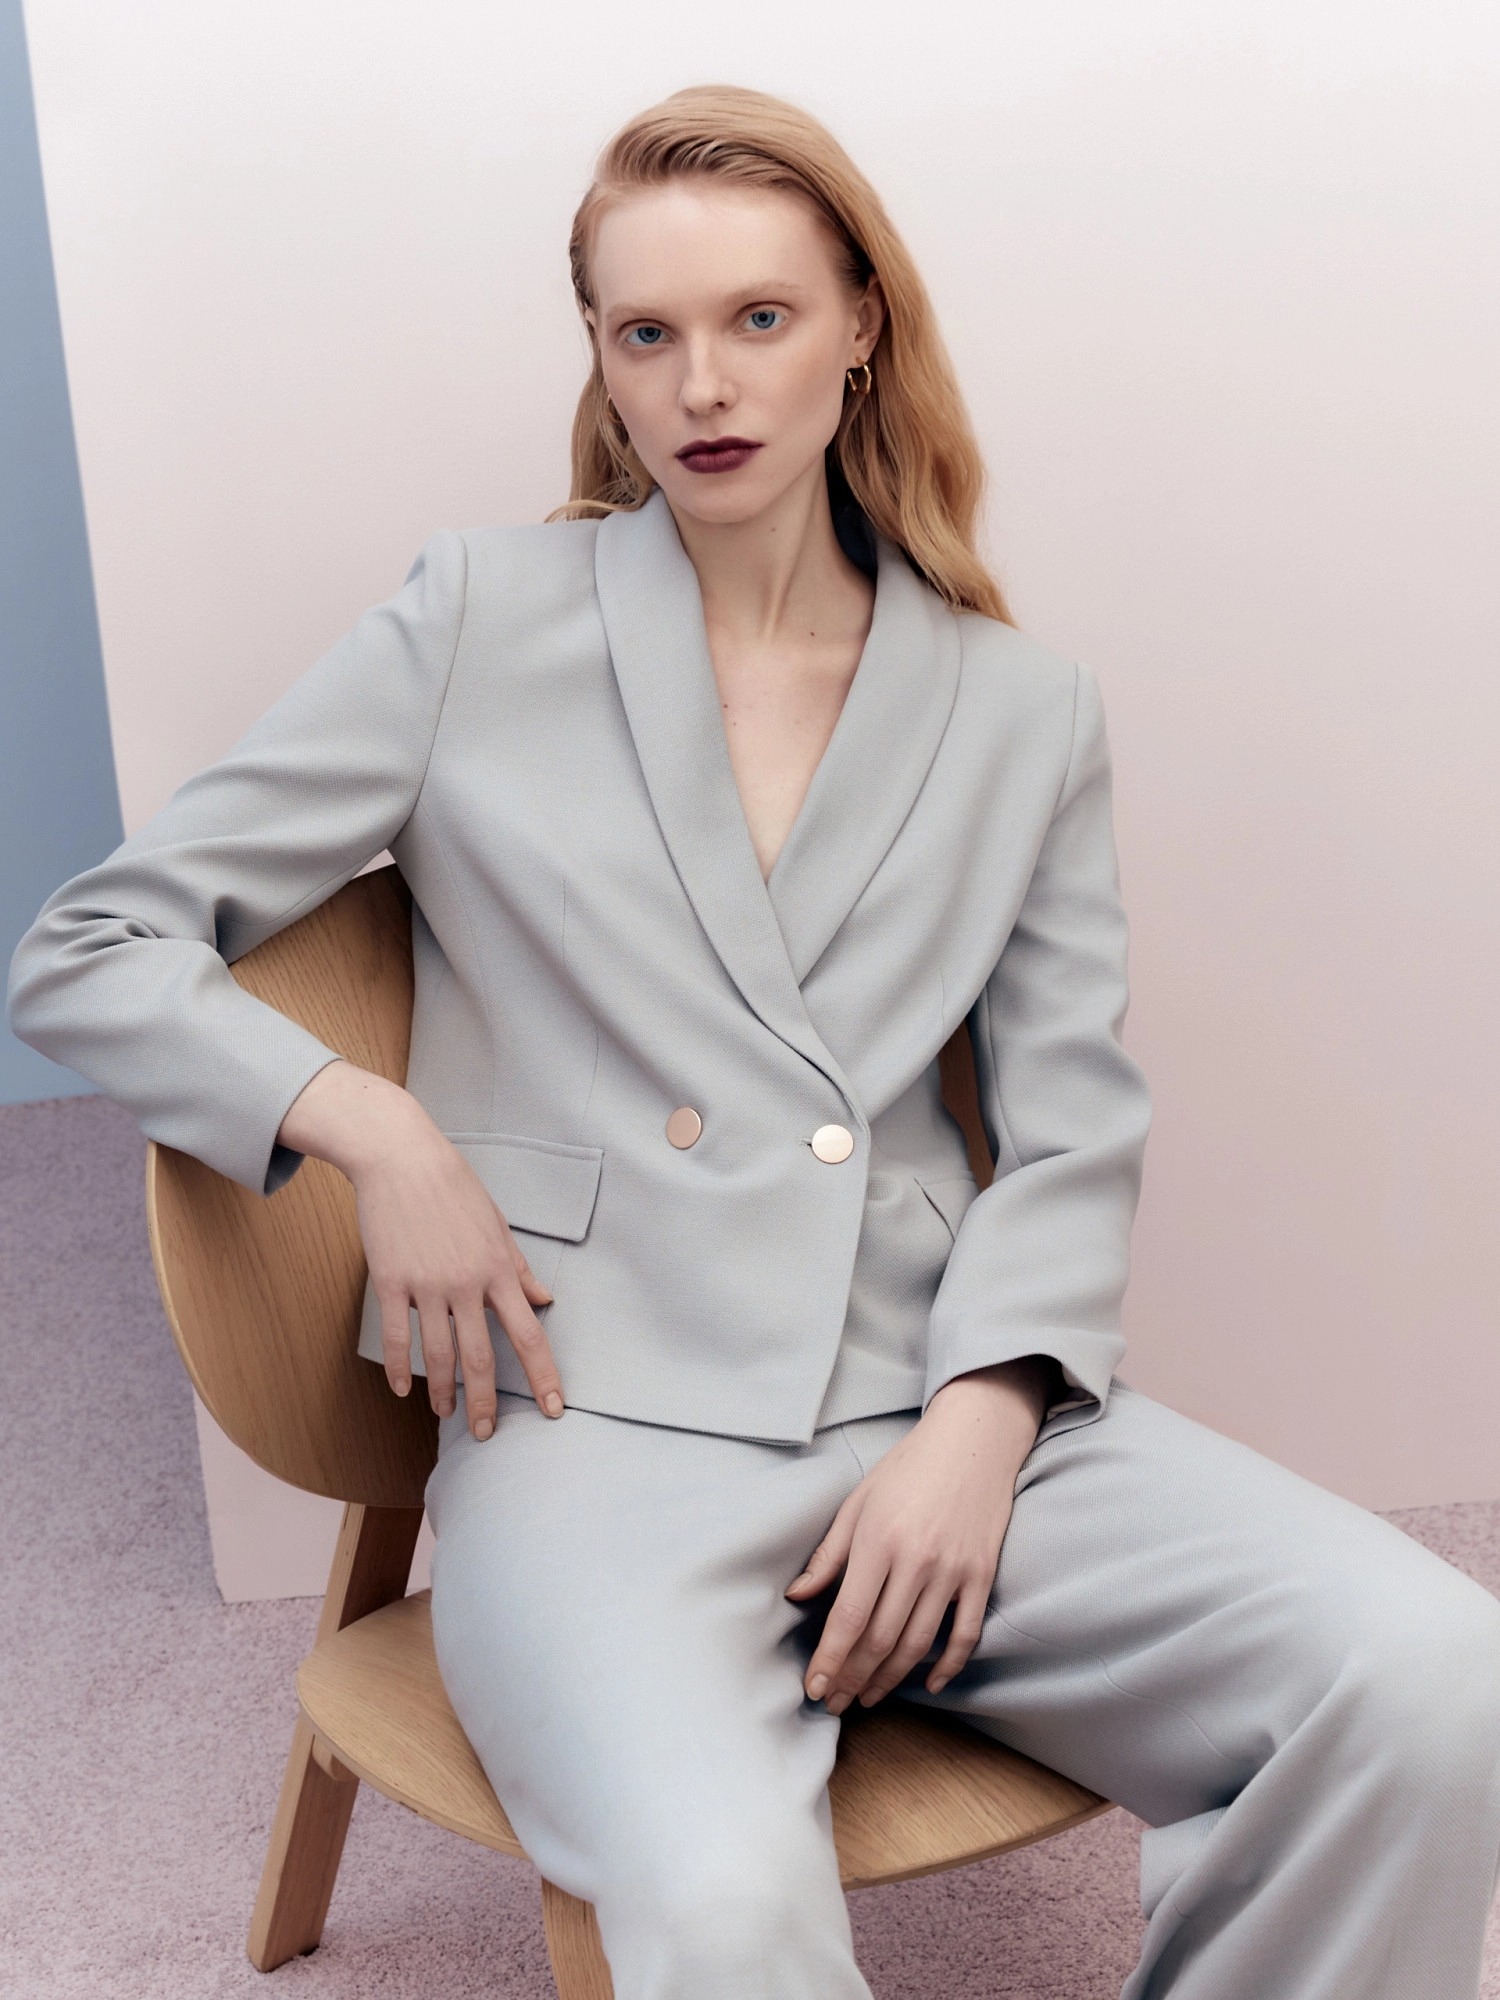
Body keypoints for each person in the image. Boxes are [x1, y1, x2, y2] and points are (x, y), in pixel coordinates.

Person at [8, 81, 1500, 2000]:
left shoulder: (1021, 710)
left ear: (860, 323)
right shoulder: (481, 621)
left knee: (1432, 1676)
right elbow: (88, 945)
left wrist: (982, 1422)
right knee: (719, 1908)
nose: (702, 383)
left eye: (760, 318)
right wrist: (366, 1122)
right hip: (588, 1428)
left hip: (936, 1398)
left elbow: (1068, 1127)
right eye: (647, 333)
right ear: (603, 358)